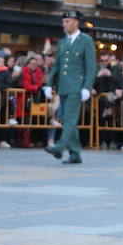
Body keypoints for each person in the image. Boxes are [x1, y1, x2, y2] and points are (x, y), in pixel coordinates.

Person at [43, 11, 96, 164]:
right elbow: (57, 65)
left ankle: (59, 147)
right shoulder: (63, 42)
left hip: (77, 86)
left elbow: (90, 66)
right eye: (63, 21)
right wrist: (49, 84)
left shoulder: (85, 40)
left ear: (76, 22)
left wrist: (87, 87)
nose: (64, 24)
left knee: (70, 118)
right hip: (64, 85)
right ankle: (75, 153)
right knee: (68, 120)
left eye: (67, 21)